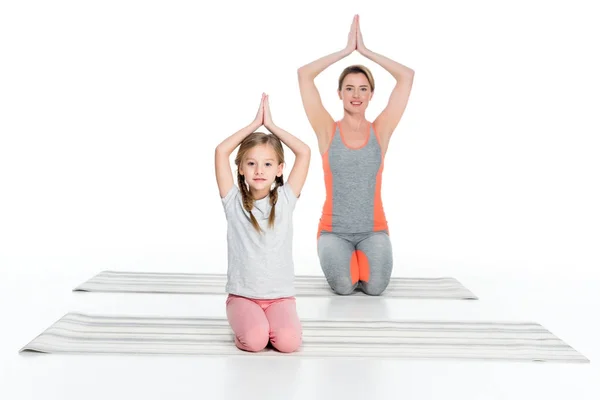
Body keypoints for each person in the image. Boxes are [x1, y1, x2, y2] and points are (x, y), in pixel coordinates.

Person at [297, 15, 415, 296]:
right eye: (349, 88)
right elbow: (304, 75)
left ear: (372, 94)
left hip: (374, 231)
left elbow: (406, 77)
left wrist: (366, 52)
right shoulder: (327, 130)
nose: (356, 94)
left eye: (363, 88)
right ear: (339, 93)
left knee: (375, 288)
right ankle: (348, 262)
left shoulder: (381, 131)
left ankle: (362, 261)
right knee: (343, 287)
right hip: (333, 232)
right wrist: (344, 51)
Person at [214, 93, 311, 353]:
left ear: (279, 169)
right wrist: (254, 124)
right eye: (252, 163)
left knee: (289, 344)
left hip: (281, 298)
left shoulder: (286, 200)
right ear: (242, 169)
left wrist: (272, 127)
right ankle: (248, 325)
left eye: (267, 164)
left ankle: (266, 324)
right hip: (243, 297)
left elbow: (304, 151)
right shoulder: (233, 201)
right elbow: (221, 151)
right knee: (256, 341)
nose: (259, 170)